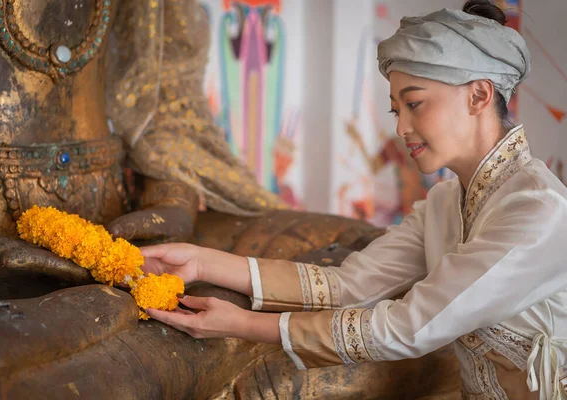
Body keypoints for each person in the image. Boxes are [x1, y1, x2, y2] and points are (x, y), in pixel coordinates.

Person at [139, 1, 567, 398]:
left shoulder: (539, 211)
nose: (402, 128)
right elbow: (350, 285)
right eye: (397, 110)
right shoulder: (443, 203)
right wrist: (201, 261)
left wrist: (243, 325)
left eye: (415, 103)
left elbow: (410, 325)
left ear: (479, 95)